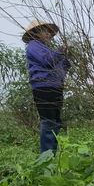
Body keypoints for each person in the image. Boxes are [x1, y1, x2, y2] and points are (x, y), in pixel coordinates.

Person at [22, 20, 71, 155]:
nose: (49, 34)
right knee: (49, 121)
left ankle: (51, 153)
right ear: (36, 33)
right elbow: (48, 61)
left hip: (55, 86)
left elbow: (61, 69)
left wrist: (66, 59)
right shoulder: (33, 46)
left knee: (56, 121)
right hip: (43, 86)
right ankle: (47, 155)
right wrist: (61, 52)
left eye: (50, 31)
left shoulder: (46, 49)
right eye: (45, 31)